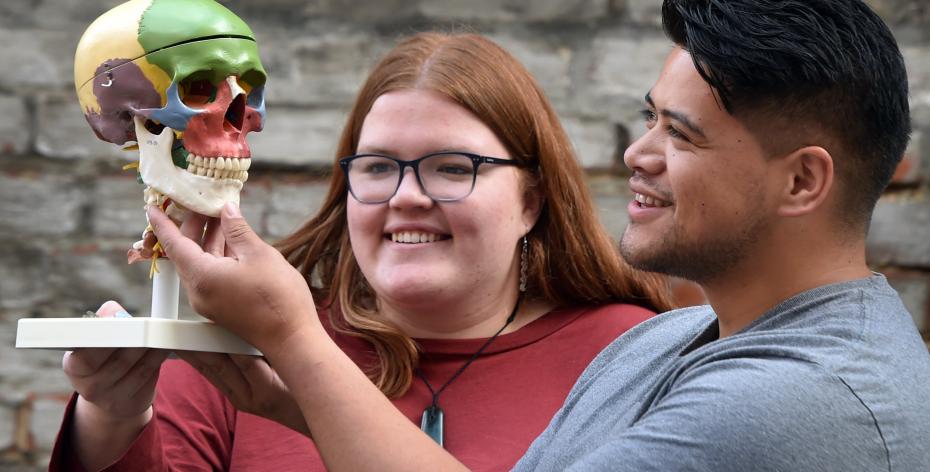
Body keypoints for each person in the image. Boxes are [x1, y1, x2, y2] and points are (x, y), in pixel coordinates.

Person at [144, 0, 930, 470]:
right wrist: (293, 393)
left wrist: (292, 333)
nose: (637, 156)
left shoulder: (800, 401)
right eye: (649, 118)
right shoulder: (665, 346)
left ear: (802, 180)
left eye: (681, 135)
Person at [51, 33, 672, 471]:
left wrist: (294, 341)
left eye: (453, 168)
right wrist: (111, 418)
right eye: (377, 167)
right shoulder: (237, 344)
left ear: (531, 201)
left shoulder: (630, 356)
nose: (406, 197)